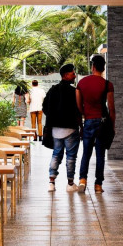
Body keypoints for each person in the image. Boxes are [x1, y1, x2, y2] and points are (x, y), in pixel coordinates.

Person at [76, 54, 116, 194]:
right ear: (103, 68)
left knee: (86, 152)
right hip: (102, 122)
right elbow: (111, 108)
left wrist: (85, 115)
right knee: (100, 154)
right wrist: (112, 125)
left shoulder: (81, 83)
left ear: (92, 67)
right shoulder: (107, 84)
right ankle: (98, 185)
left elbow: (78, 105)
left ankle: (82, 180)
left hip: (88, 120)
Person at [43, 64, 82, 192]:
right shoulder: (74, 91)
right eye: (73, 73)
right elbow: (79, 110)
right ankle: (70, 184)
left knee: (56, 155)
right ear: (66, 75)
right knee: (71, 157)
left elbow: (45, 107)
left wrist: (54, 118)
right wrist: (81, 126)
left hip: (55, 130)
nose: (75, 76)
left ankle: (51, 182)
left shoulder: (52, 90)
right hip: (71, 128)